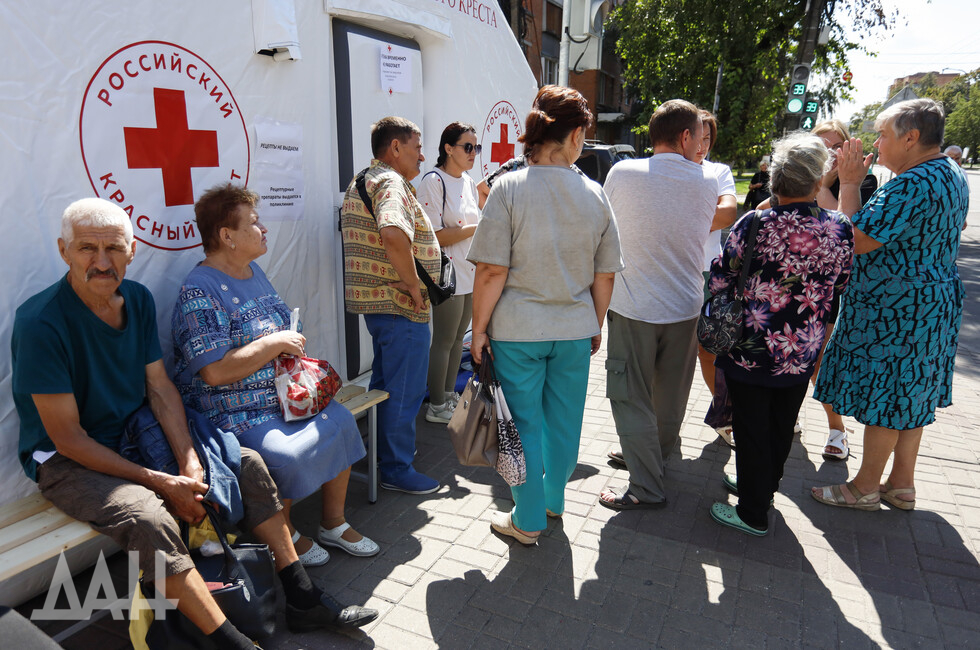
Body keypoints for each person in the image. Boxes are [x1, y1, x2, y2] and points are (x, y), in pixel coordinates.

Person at [11, 198, 376, 650]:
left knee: (247, 466)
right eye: (87, 249)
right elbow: (67, 438)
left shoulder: (138, 300)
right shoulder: (41, 321)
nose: (102, 262)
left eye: (114, 249)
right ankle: (230, 640)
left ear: (132, 250)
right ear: (64, 250)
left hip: (136, 433)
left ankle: (302, 597)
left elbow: (161, 389)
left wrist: (188, 460)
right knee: (149, 517)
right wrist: (163, 481)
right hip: (68, 458)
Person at [171, 184, 378, 567]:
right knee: (286, 454)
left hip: (279, 395)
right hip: (233, 412)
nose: (263, 229)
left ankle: (333, 522)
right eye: (254, 222)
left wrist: (286, 341)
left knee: (342, 421)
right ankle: (285, 532)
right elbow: (214, 371)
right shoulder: (197, 291)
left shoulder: (253, 271)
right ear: (226, 236)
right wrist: (276, 343)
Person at [467, 85, 623, 544]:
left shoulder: (508, 188)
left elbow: (492, 270)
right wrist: (594, 323)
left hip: (517, 332)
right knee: (564, 423)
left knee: (524, 426)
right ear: (575, 136)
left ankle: (528, 519)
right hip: (574, 330)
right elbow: (605, 275)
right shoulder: (595, 194)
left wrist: (478, 331)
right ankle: (553, 501)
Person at [812, 98, 969, 511]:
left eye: (883, 135)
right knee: (912, 394)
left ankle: (863, 487)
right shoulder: (950, 172)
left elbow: (855, 240)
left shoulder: (912, 182)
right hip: (930, 304)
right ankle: (901, 485)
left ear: (911, 138)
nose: (877, 145)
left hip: (897, 311)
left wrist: (847, 184)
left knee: (888, 396)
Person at [705, 133, 854, 536]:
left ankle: (753, 512)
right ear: (815, 181)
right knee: (782, 423)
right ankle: (763, 488)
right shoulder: (839, 228)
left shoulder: (755, 222)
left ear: (776, 180)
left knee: (752, 427)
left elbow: (721, 275)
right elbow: (840, 283)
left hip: (749, 346)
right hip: (802, 348)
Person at [597, 99, 718, 509]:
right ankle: (653, 459)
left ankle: (645, 486)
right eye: (700, 137)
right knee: (669, 397)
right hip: (685, 307)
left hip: (634, 306)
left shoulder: (622, 172)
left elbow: (604, 229)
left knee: (629, 394)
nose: (702, 146)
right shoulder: (706, 183)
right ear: (685, 136)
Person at [341, 116, 442, 494]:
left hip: (382, 305)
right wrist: (416, 288)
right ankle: (397, 468)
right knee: (405, 389)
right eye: (417, 146)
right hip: (400, 305)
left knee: (386, 385)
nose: (422, 155)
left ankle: (383, 457)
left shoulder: (364, 177)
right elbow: (393, 233)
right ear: (395, 147)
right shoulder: (390, 181)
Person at [806, 119, 881, 461]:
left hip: (835, 284)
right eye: (821, 146)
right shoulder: (798, 173)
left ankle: (837, 429)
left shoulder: (864, 182)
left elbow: (845, 228)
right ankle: (785, 418)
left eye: (836, 146)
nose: (830, 154)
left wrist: (826, 183)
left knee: (820, 359)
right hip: (797, 280)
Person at [417, 122, 481, 424]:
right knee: (443, 340)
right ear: (448, 148)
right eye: (467, 147)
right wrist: (477, 229)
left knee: (459, 339)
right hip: (447, 274)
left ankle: (447, 395)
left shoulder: (468, 182)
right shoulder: (433, 180)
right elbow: (434, 236)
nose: (473, 153)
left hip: (469, 271)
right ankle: (436, 404)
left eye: (476, 147)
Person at [693, 109, 738, 445]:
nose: (703, 144)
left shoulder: (718, 171)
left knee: (709, 351)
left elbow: (727, 214)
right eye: (698, 136)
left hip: (708, 273)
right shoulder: (663, 169)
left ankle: (724, 413)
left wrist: (673, 213)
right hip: (668, 272)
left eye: (709, 138)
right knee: (666, 356)